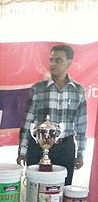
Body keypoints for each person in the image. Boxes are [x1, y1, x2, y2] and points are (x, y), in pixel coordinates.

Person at [17, 44, 87, 185]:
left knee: (62, 190)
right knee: (36, 190)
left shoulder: (78, 90)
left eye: (58, 60)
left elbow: (81, 125)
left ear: (69, 62)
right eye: (51, 60)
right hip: (38, 147)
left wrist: (80, 154)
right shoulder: (38, 89)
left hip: (65, 147)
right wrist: (22, 152)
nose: (53, 64)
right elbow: (27, 122)